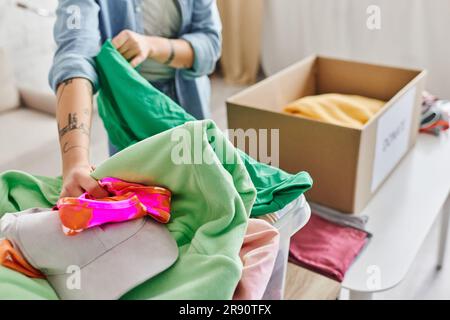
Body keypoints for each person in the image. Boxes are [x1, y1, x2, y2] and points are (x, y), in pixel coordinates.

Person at [49, 0, 222, 199]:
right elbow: (74, 56)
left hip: (188, 101)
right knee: (138, 202)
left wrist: (152, 46)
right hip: (128, 115)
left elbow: (211, 44)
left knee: (204, 186)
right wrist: (75, 163)